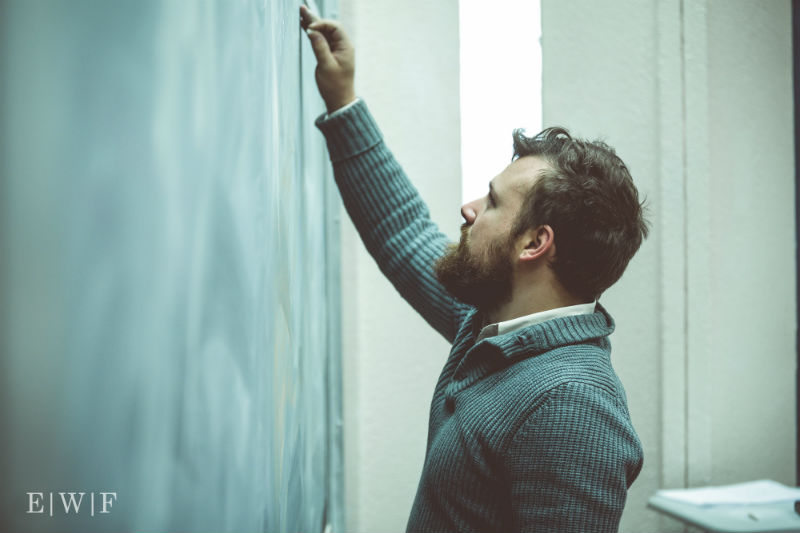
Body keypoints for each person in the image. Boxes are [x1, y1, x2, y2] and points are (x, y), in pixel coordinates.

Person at [300, 7, 648, 533]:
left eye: (490, 201)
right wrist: (343, 100)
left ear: (535, 242)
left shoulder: (572, 405)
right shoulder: (493, 325)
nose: (469, 208)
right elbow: (404, 232)